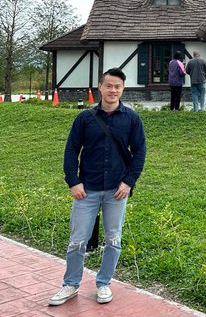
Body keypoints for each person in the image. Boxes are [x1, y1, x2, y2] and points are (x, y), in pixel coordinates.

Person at [49, 68, 146, 307]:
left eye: (117, 87)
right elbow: (71, 150)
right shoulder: (85, 118)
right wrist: (73, 181)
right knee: (77, 241)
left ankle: (104, 283)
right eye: (109, 86)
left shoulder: (132, 119)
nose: (113, 90)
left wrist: (129, 181)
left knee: (113, 239)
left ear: (123, 89)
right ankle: (71, 284)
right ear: (100, 87)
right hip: (87, 190)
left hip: (117, 190)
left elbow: (140, 152)